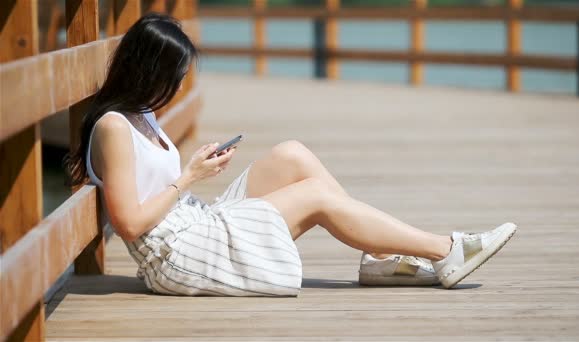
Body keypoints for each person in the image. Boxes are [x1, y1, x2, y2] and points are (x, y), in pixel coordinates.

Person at [64, 13, 516, 297]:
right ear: (148, 71)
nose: (180, 86)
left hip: (193, 222)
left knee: (292, 155)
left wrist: (194, 171)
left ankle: (378, 259)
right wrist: (188, 178)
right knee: (316, 196)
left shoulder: (140, 114)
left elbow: (150, 190)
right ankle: (447, 250)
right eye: (175, 75)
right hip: (177, 256)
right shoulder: (113, 127)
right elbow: (128, 223)